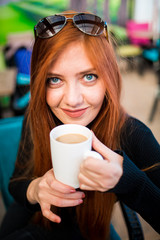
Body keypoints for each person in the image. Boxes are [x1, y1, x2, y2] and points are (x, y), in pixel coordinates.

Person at [0, 10, 160, 240]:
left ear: (109, 77)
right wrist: (35, 189)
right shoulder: (36, 116)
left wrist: (129, 181)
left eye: (89, 76)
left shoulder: (133, 134)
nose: (72, 100)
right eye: (54, 79)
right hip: (25, 223)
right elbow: (16, 183)